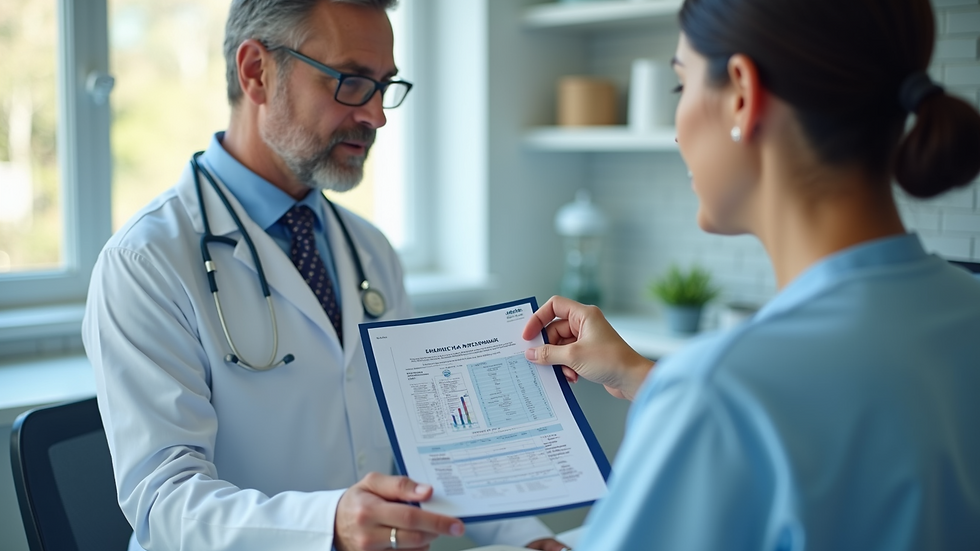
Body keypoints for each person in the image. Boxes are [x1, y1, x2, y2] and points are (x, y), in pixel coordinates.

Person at [82, 1, 568, 550]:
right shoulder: (147, 261)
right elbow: (163, 503)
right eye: (352, 82)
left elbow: (427, 447)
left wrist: (527, 537)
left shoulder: (369, 250)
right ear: (256, 72)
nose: (377, 116)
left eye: (385, 86)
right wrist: (327, 525)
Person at [522, 0, 980, 549]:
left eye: (681, 86)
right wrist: (646, 377)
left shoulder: (718, 391)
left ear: (741, 94)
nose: (675, 132)